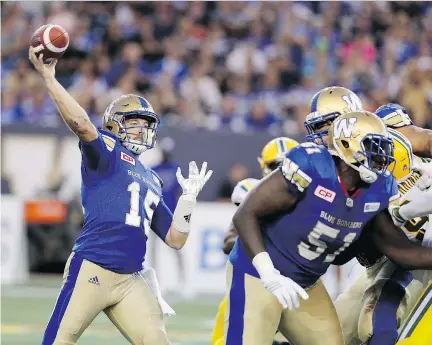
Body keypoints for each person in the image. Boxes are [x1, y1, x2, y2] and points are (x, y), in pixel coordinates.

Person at [29, 47, 212, 345]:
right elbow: (82, 125)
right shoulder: (107, 154)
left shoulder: (151, 178)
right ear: (114, 124)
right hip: (93, 267)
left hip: (130, 279)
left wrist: (188, 200)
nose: (142, 130)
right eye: (134, 122)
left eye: (146, 124)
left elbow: (176, 238)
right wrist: (50, 79)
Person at [225, 110, 432, 345]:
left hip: (306, 283)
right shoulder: (312, 167)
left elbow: (401, 250)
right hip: (258, 274)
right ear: (348, 144)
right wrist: (267, 272)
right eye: (374, 147)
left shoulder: (376, 189)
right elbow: (245, 214)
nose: (381, 158)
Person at [211, 137, 299, 345]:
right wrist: (264, 247)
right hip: (258, 280)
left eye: (285, 165)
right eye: (275, 166)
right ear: (263, 166)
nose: (280, 171)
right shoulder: (253, 191)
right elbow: (228, 241)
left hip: (298, 282)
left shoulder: (314, 197)